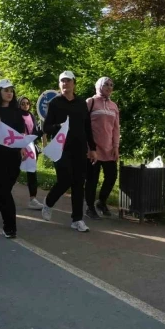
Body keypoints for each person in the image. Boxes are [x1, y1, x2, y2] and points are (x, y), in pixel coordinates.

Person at [41, 71, 97, 233]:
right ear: (59, 84)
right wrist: (58, 127)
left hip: (79, 149)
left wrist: (92, 148)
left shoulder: (81, 103)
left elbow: (87, 127)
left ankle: (77, 219)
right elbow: (46, 127)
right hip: (61, 148)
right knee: (65, 180)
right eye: (62, 81)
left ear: (74, 83)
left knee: (79, 183)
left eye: (68, 81)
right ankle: (49, 202)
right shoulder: (55, 103)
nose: (65, 84)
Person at [0, 80, 26, 238]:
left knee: (4, 190)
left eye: (11, 91)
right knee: (4, 191)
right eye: (6, 90)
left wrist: (22, 146)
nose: (9, 93)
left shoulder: (17, 112)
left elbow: (21, 133)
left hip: (13, 156)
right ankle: (10, 227)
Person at [84, 77, 121, 219]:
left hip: (109, 148)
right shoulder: (90, 102)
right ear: (99, 85)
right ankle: (90, 207)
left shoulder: (114, 106)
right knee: (92, 179)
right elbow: (84, 125)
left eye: (111, 85)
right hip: (92, 148)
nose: (109, 87)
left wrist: (116, 147)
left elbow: (116, 128)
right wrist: (88, 147)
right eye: (106, 84)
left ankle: (101, 202)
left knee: (111, 176)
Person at [18, 96, 44, 210]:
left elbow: (34, 133)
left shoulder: (31, 116)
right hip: (19, 147)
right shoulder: (16, 115)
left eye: (27, 103)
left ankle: (33, 199)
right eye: (23, 103)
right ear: (19, 105)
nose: (25, 105)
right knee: (12, 172)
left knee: (32, 172)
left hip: (31, 147)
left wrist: (45, 130)